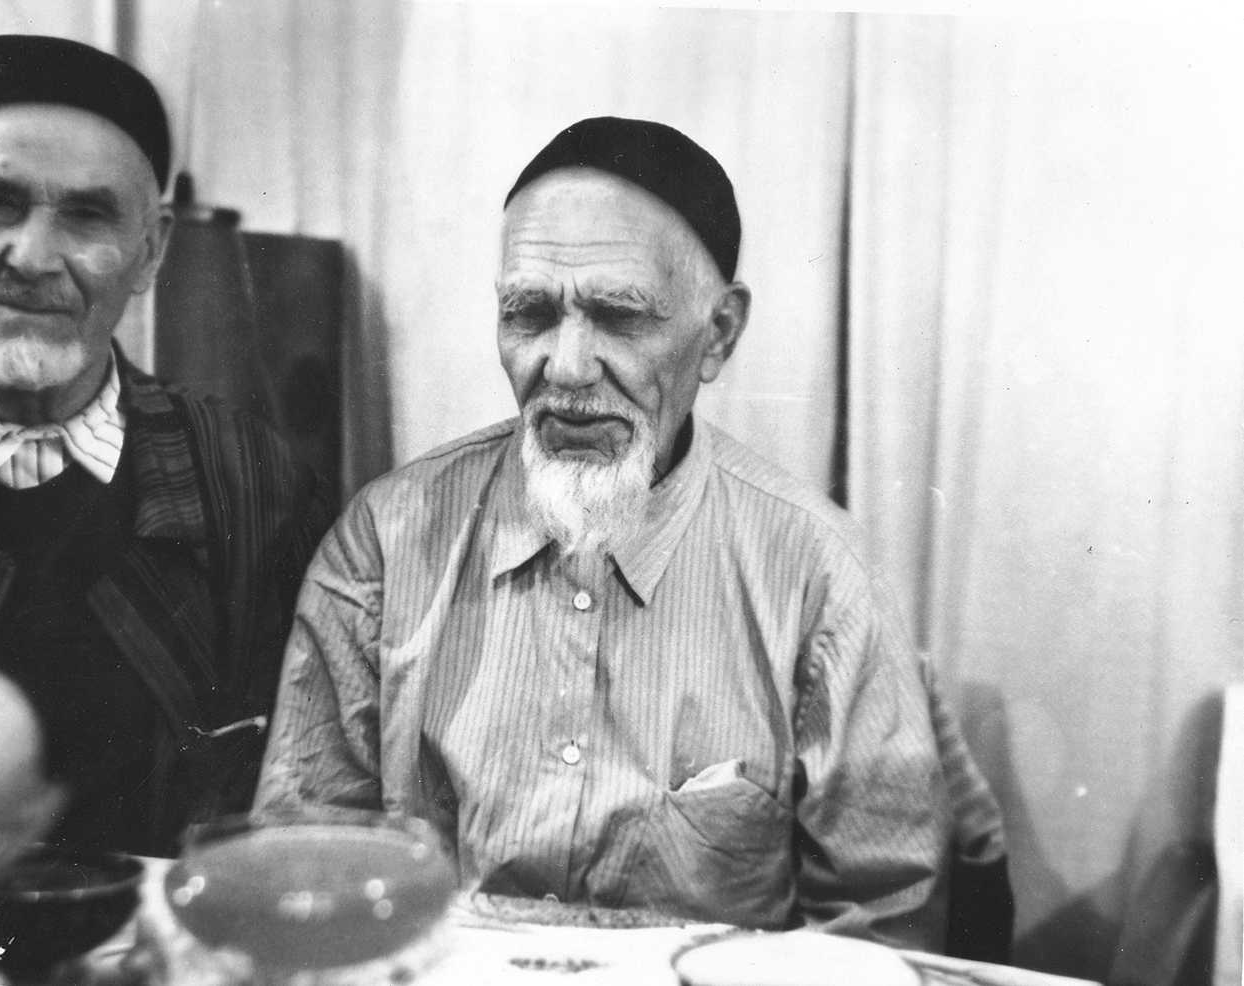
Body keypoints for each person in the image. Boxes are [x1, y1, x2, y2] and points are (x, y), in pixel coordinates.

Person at [256, 117, 1001, 950]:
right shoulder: (385, 542)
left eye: (618, 317)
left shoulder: (819, 575)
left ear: (718, 334)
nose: (566, 367)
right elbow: (302, 874)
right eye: (529, 313)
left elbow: (879, 928)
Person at [0, 35, 329, 857]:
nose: (33, 258)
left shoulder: (253, 487)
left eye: (88, 215)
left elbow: (288, 807)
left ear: (151, 249)